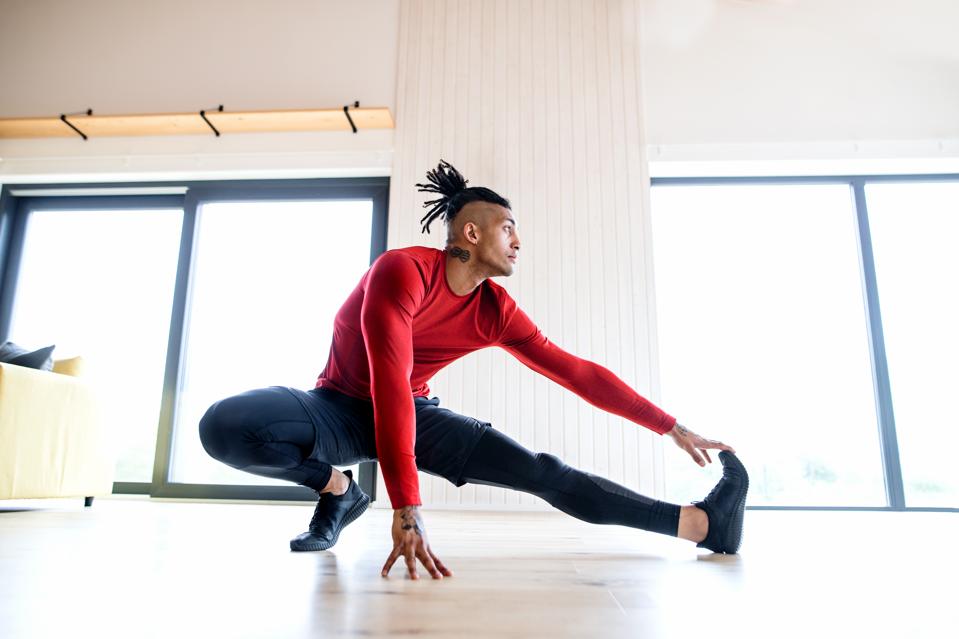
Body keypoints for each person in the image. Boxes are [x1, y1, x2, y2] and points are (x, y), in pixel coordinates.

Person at [198, 159, 749, 581]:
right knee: (224, 425)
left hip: (414, 413)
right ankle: (338, 490)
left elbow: (577, 372)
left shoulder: (495, 311)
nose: (519, 242)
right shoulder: (403, 271)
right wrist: (408, 507)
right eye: (509, 228)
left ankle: (703, 524)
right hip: (337, 409)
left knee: (543, 472)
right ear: (472, 233)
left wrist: (669, 426)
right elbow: (386, 383)